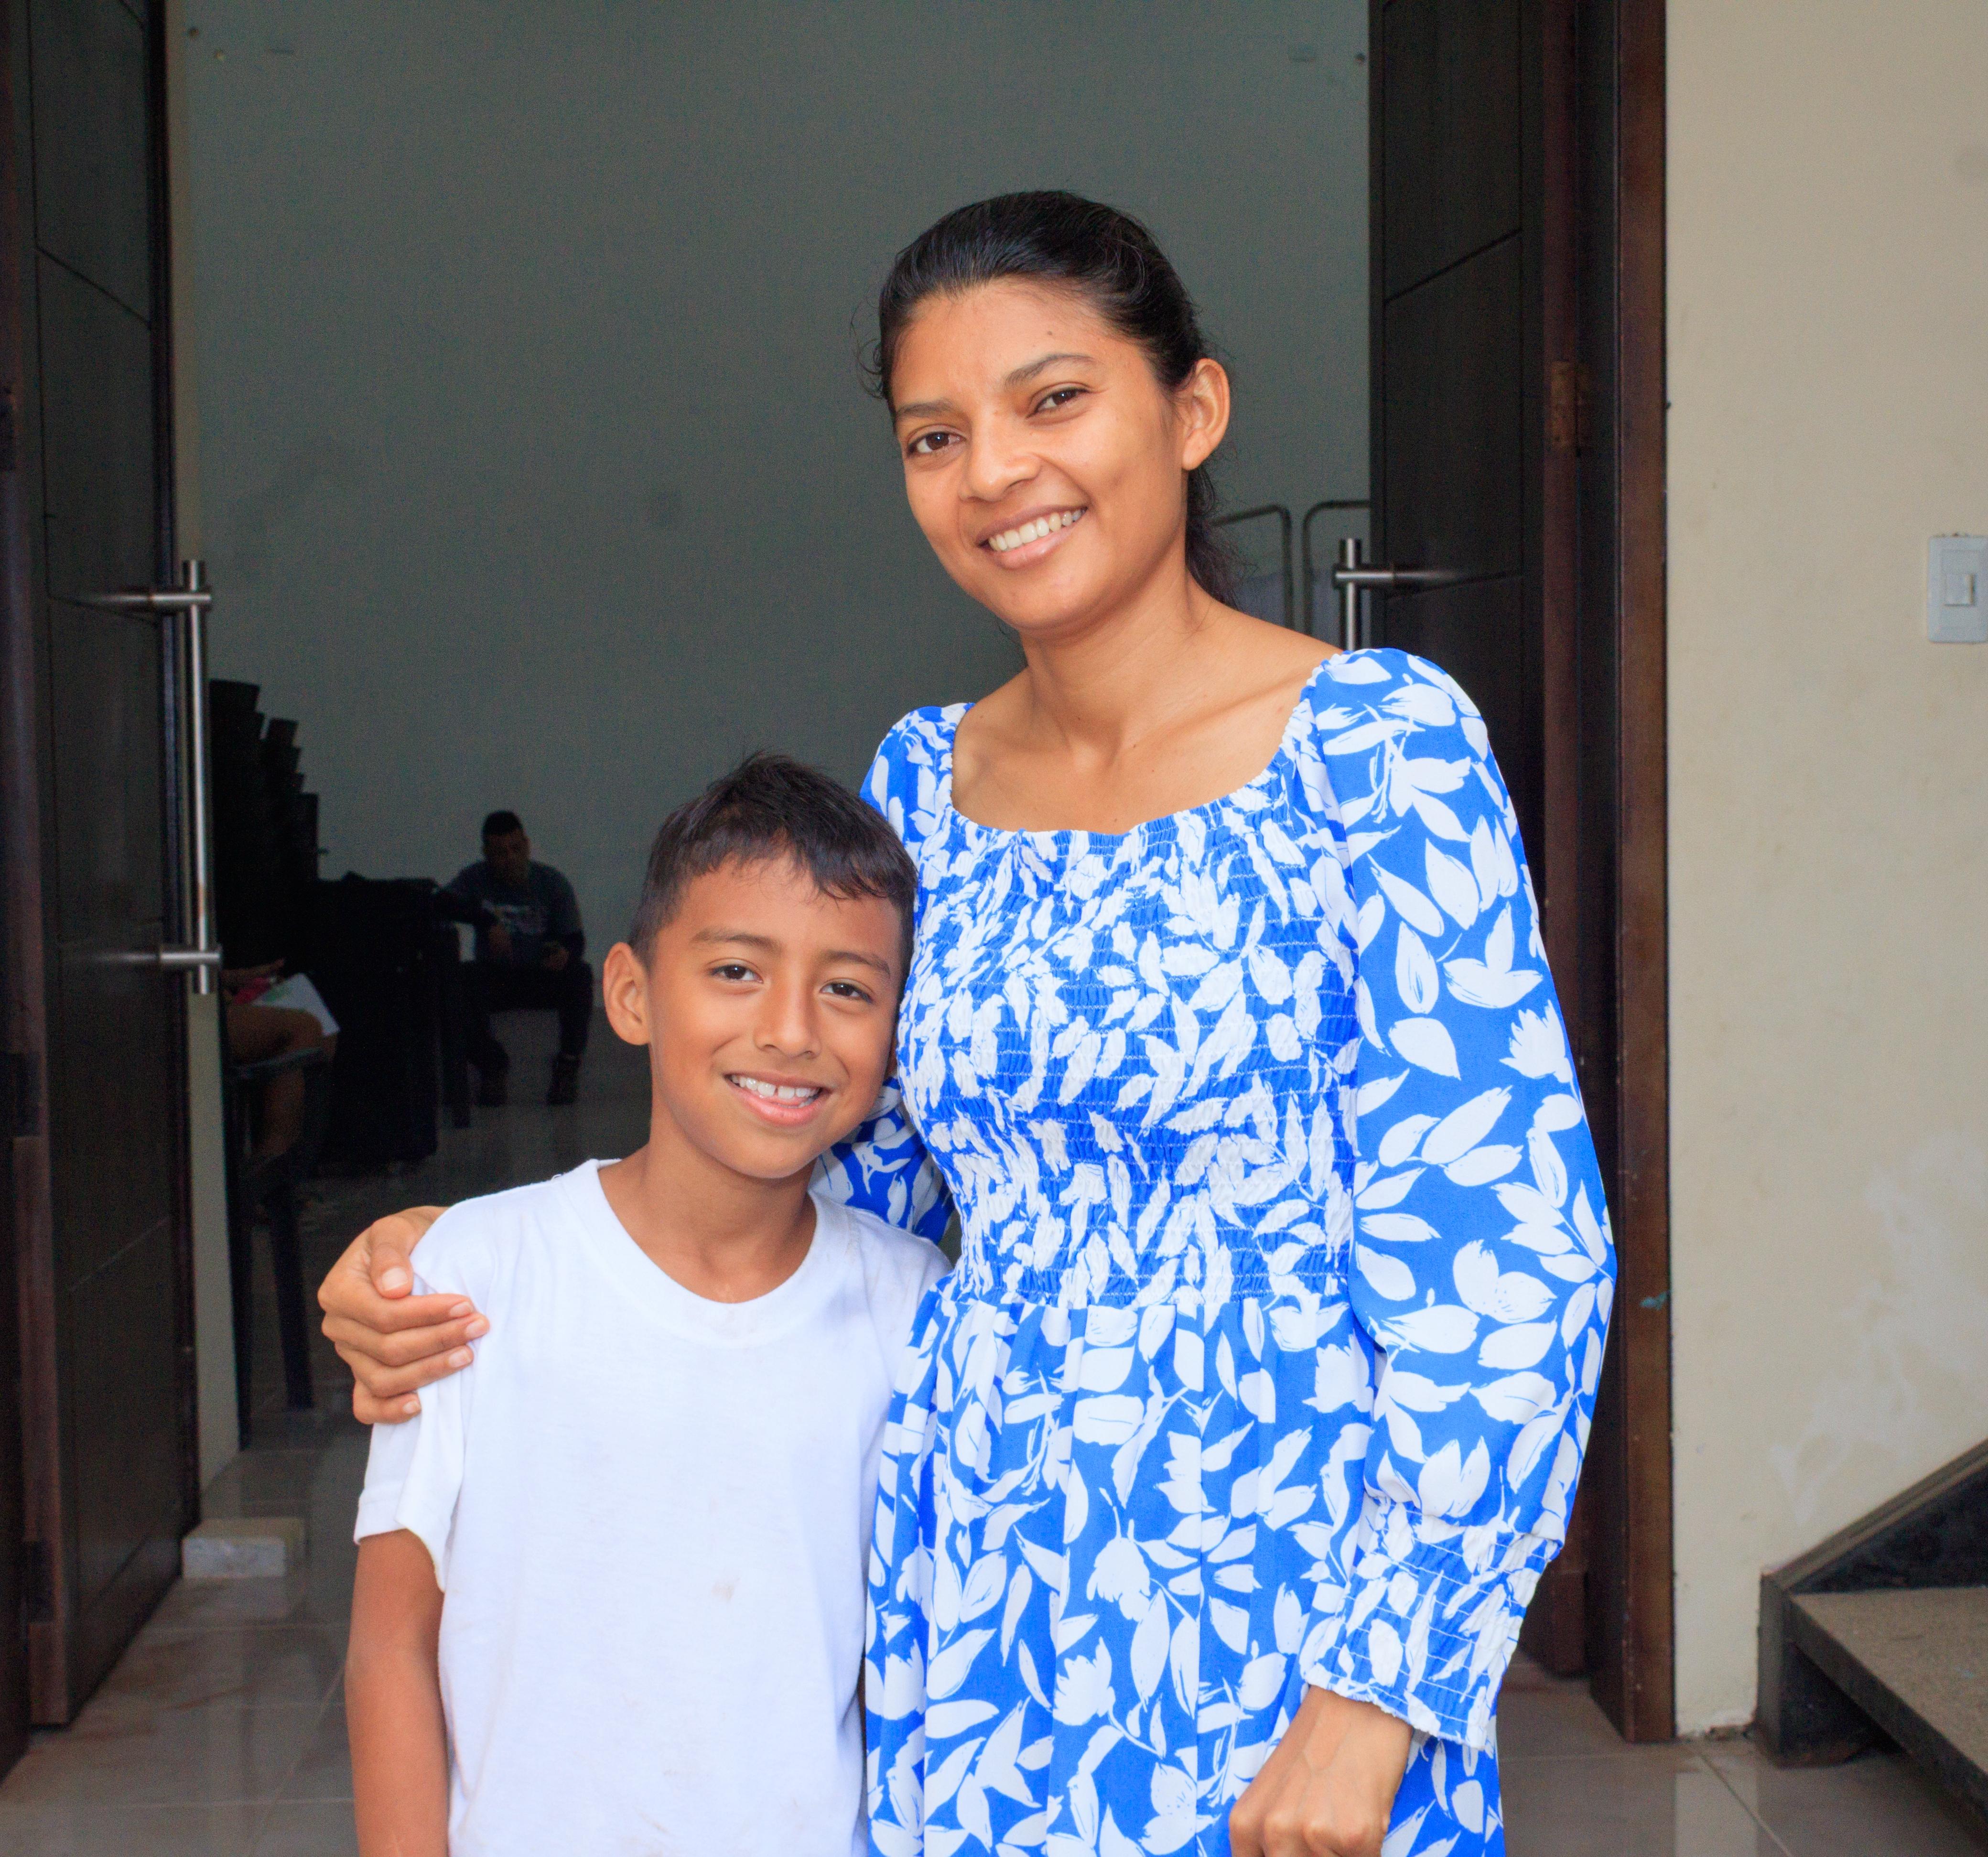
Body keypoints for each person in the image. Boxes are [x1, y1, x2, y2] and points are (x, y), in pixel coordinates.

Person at [322, 193, 1615, 1857]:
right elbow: (834, 1184)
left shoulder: (1377, 746)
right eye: (935, 435)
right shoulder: (925, 778)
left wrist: (1378, 1692)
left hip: (1289, 1605)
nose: (994, 470)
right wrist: (470, 1259)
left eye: (1052, 399)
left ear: (1193, 410)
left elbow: (1512, 1259)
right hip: (980, 1600)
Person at [346, 755, 946, 1857]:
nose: (792, 1029)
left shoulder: (914, 1310)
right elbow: (391, 1646)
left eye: (849, 988)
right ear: (629, 993)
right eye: (736, 970)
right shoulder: (477, 1276)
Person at [443, 810, 591, 1106]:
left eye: (516, 849)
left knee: (581, 975)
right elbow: (442, 903)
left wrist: (564, 953)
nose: (510, 858)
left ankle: (567, 1065)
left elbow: (575, 939)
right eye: (500, 853)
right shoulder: (476, 878)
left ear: (527, 845)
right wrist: (486, 921)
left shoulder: (552, 883)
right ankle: (492, 1064)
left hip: (542, 975)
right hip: (496, 975)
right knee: (455, 983)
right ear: (487, 854)